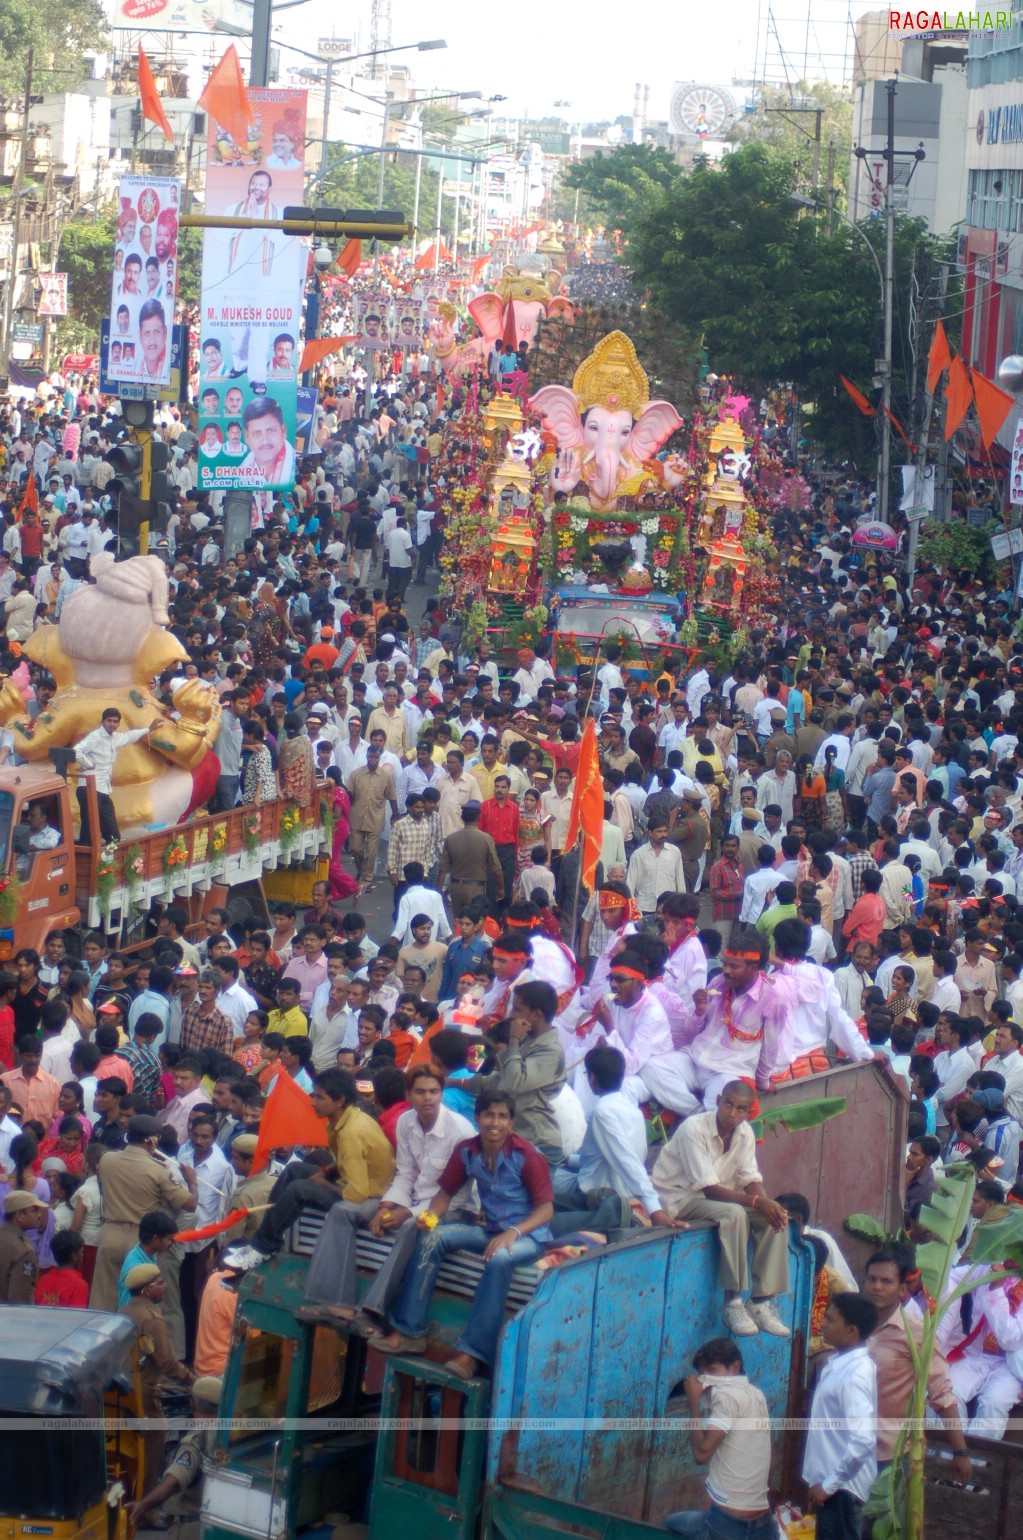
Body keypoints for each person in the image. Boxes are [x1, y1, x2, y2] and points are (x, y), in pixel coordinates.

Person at [373, 1088, 554, 1378]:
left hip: (528, 1237)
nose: (495, 1122)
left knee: (498, 1258)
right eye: (489, 1115)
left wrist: (514, 1233)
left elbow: (546, 1211)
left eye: (502, 1117)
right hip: (492, 1230)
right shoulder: (468, 1152)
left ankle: (474, 1353)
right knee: (433, 1237)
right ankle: (410, 1329)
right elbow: (444, 1194)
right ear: (478, 1117)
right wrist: (431, 1217)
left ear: (511, 1123)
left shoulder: (527, 1156)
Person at [297, 1064, 476, 1332]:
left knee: (408, 1227)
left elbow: (455, 1195)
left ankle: (371, 1310)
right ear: (409, 1095)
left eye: (434, 1092)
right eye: (421, 1092)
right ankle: (335, 1302)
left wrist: (407, 1213)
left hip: (451, 1207)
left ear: (441, 1094)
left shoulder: (460, 1132)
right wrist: (385, 1207)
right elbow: (404, 1174)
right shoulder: (406, 1122)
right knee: (343, 1210)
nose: (428, 1098)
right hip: (411, 1199)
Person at [652, 1080, 791, 1337]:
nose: (732, 1113)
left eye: (740, 1109)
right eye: (728, 1104)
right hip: (679, 1198)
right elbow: (709, 1188)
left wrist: (767, 1206)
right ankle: (733, 1301)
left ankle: (761, 1301)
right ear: (718, 1101)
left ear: (748, 1113)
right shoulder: (693, 1129)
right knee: (735, 1214)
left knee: (777, 1217)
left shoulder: (745, 1133)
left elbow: (750, 1178)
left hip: (717, 1199)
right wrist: (758, 1203)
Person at [223, 1069, 395, 1267]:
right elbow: (350, 1161)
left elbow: (356, 1193)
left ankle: (264, 1247)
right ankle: (262, 1240)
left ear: (339, 1100)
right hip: (355, 1183)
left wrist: (323, 1183)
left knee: (299, 1189)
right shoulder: (345, 1118)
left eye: (320, 1098)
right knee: (294, 1169)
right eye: (314, 1096)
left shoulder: (351, 1132)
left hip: (368, 1199)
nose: (313, 1102)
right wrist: (327, 1171)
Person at [862, 1249, 971, 1484]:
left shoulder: (917, 1334)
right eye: (872, 1279)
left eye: (886, 1281)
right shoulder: (855, 1324)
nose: (877, 1287)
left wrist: (960, 1451)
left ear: (902, 1289)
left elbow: (941, 1392)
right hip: (850, 1448)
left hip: (891, 1453)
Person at [662, 1337, 773, 1539]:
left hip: (729, 1525)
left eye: (713, 1371)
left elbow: (701, 1455)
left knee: (668, 1524)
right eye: (703, 1373)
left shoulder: (726, 1395)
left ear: (735, 1367)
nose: (706, 1379)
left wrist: (694, 1403)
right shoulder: (757, 1395)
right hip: (763, 1523)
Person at [90, 1114, 197, 1311]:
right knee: (137, 1303)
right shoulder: (159, 1170)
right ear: (151, 1140)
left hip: (110, 1234)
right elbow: (189, 1204)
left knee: (103, 1298)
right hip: (140, 1240)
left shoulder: (106, 1160)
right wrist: (192, 1181)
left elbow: (102, 1188)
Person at [802, 1292, 879, 1540]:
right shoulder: (840, 1363)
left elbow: (864, 1440)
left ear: (851, 1331)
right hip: (833, 1486)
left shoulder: (854, 1377)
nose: (823, 1323)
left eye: (831, 1319)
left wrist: (828, 1485)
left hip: (842, 1492)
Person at [120, 1261, 195, 1490]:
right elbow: (168, 1363)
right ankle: (147, 1506)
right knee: (153, 1443)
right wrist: (195, 1382)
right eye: (160, 1283)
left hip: (121, 1389)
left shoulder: (125, 1311)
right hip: (143, 1391)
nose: (165, 1286)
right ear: (146, 1290)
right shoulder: (151, 1318)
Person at [73, 708, 159, 844]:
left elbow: (129, 736)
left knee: (113, 835)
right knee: (89, 829)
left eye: (115, 722)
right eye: (109, 721)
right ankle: (86, 859)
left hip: (102, 790)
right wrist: (89, 765)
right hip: (89, 787)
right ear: (102, 721)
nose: (112, 724)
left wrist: (148, 729)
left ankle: (107, 860)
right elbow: (77, 751)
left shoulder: (114, 738)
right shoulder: (95, 737)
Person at [0, 1189, 46, 1301]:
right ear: (20, 1215)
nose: (39, 1215)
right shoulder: (23, 1251)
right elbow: (19, 1298)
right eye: (34, 1210)